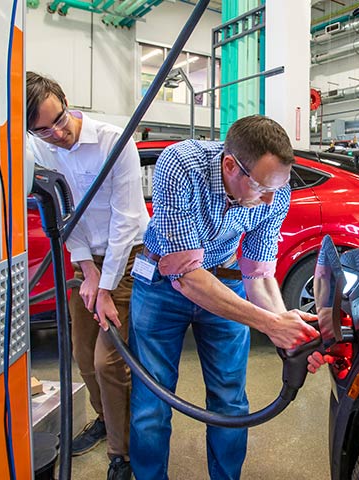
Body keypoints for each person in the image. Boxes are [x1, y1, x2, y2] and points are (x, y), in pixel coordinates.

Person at [128, 115, 320, 480]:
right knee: (151, 404)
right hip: (162, 286)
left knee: (230, 400)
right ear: (230, 165)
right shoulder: (181, 164)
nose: (270, 199)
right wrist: (269, 323)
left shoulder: (274, 192)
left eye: (277, 189)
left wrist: (287, 330)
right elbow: (186, 276)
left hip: (224, 281)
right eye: (263, 187)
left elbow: (259, 273)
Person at [26, 71, 147, 480]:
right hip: (88, 263)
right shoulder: (43, 152)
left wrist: (107, 284)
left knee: (108, 361)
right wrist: (88, 270)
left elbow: (127, 220)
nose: (57, 133)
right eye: (43, 131)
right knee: (82, 355)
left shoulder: (115, 141)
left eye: (59, 119)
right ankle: (105, 419)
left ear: (65, 100)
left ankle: (123, 452)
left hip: (127, 258)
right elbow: (64, 215)